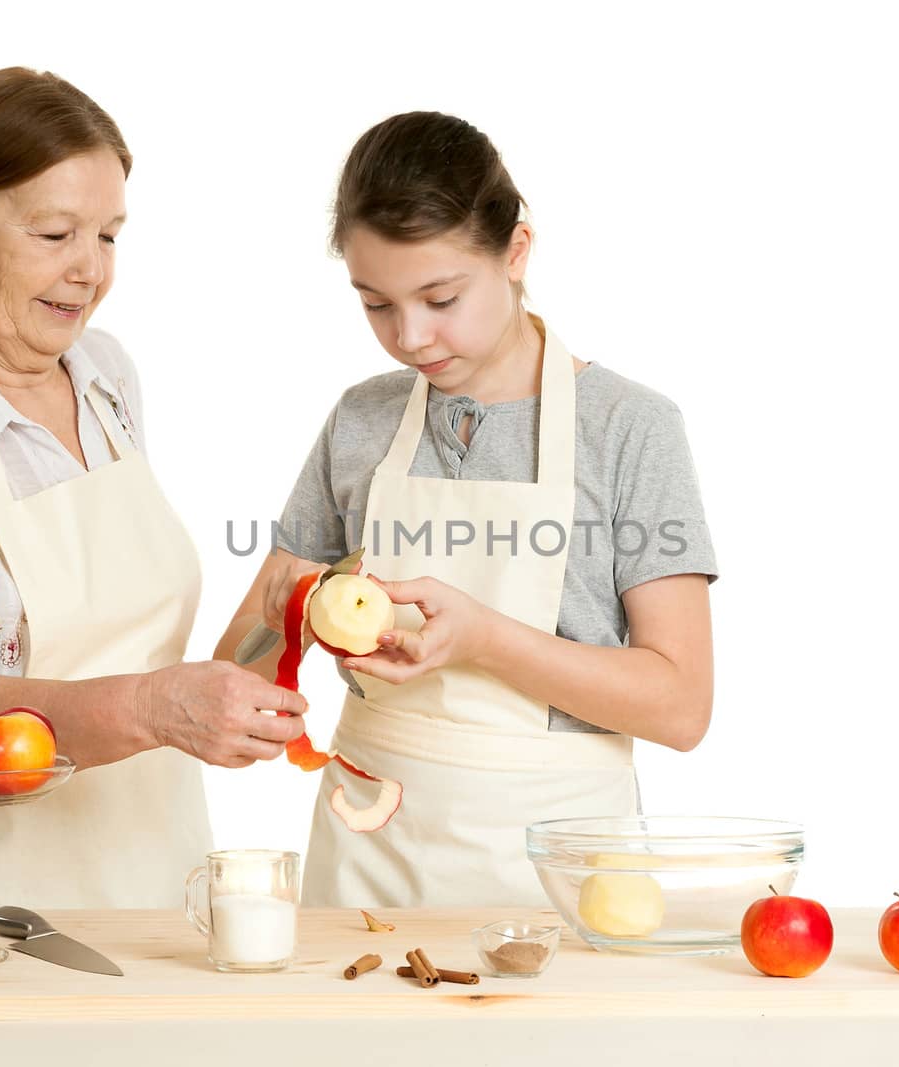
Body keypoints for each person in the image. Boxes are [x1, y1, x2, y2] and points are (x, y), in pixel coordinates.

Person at [0, 68, 306, 911]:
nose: (90, 271)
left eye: (108, 235)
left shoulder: (104, 377)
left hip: (141, 862)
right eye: (55, 233)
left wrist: (280, 621)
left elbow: (136, 646)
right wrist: (156, 706)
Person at [215, 112, 717, 907]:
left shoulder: (628, 428)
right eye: (376, 303)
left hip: (559, 866)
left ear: (516, 252)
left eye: (440, 297)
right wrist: (277, 630)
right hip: (367, 857)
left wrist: (483, 638)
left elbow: (682, 705)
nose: (411, 336)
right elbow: (237, 672)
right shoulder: (362, 420)